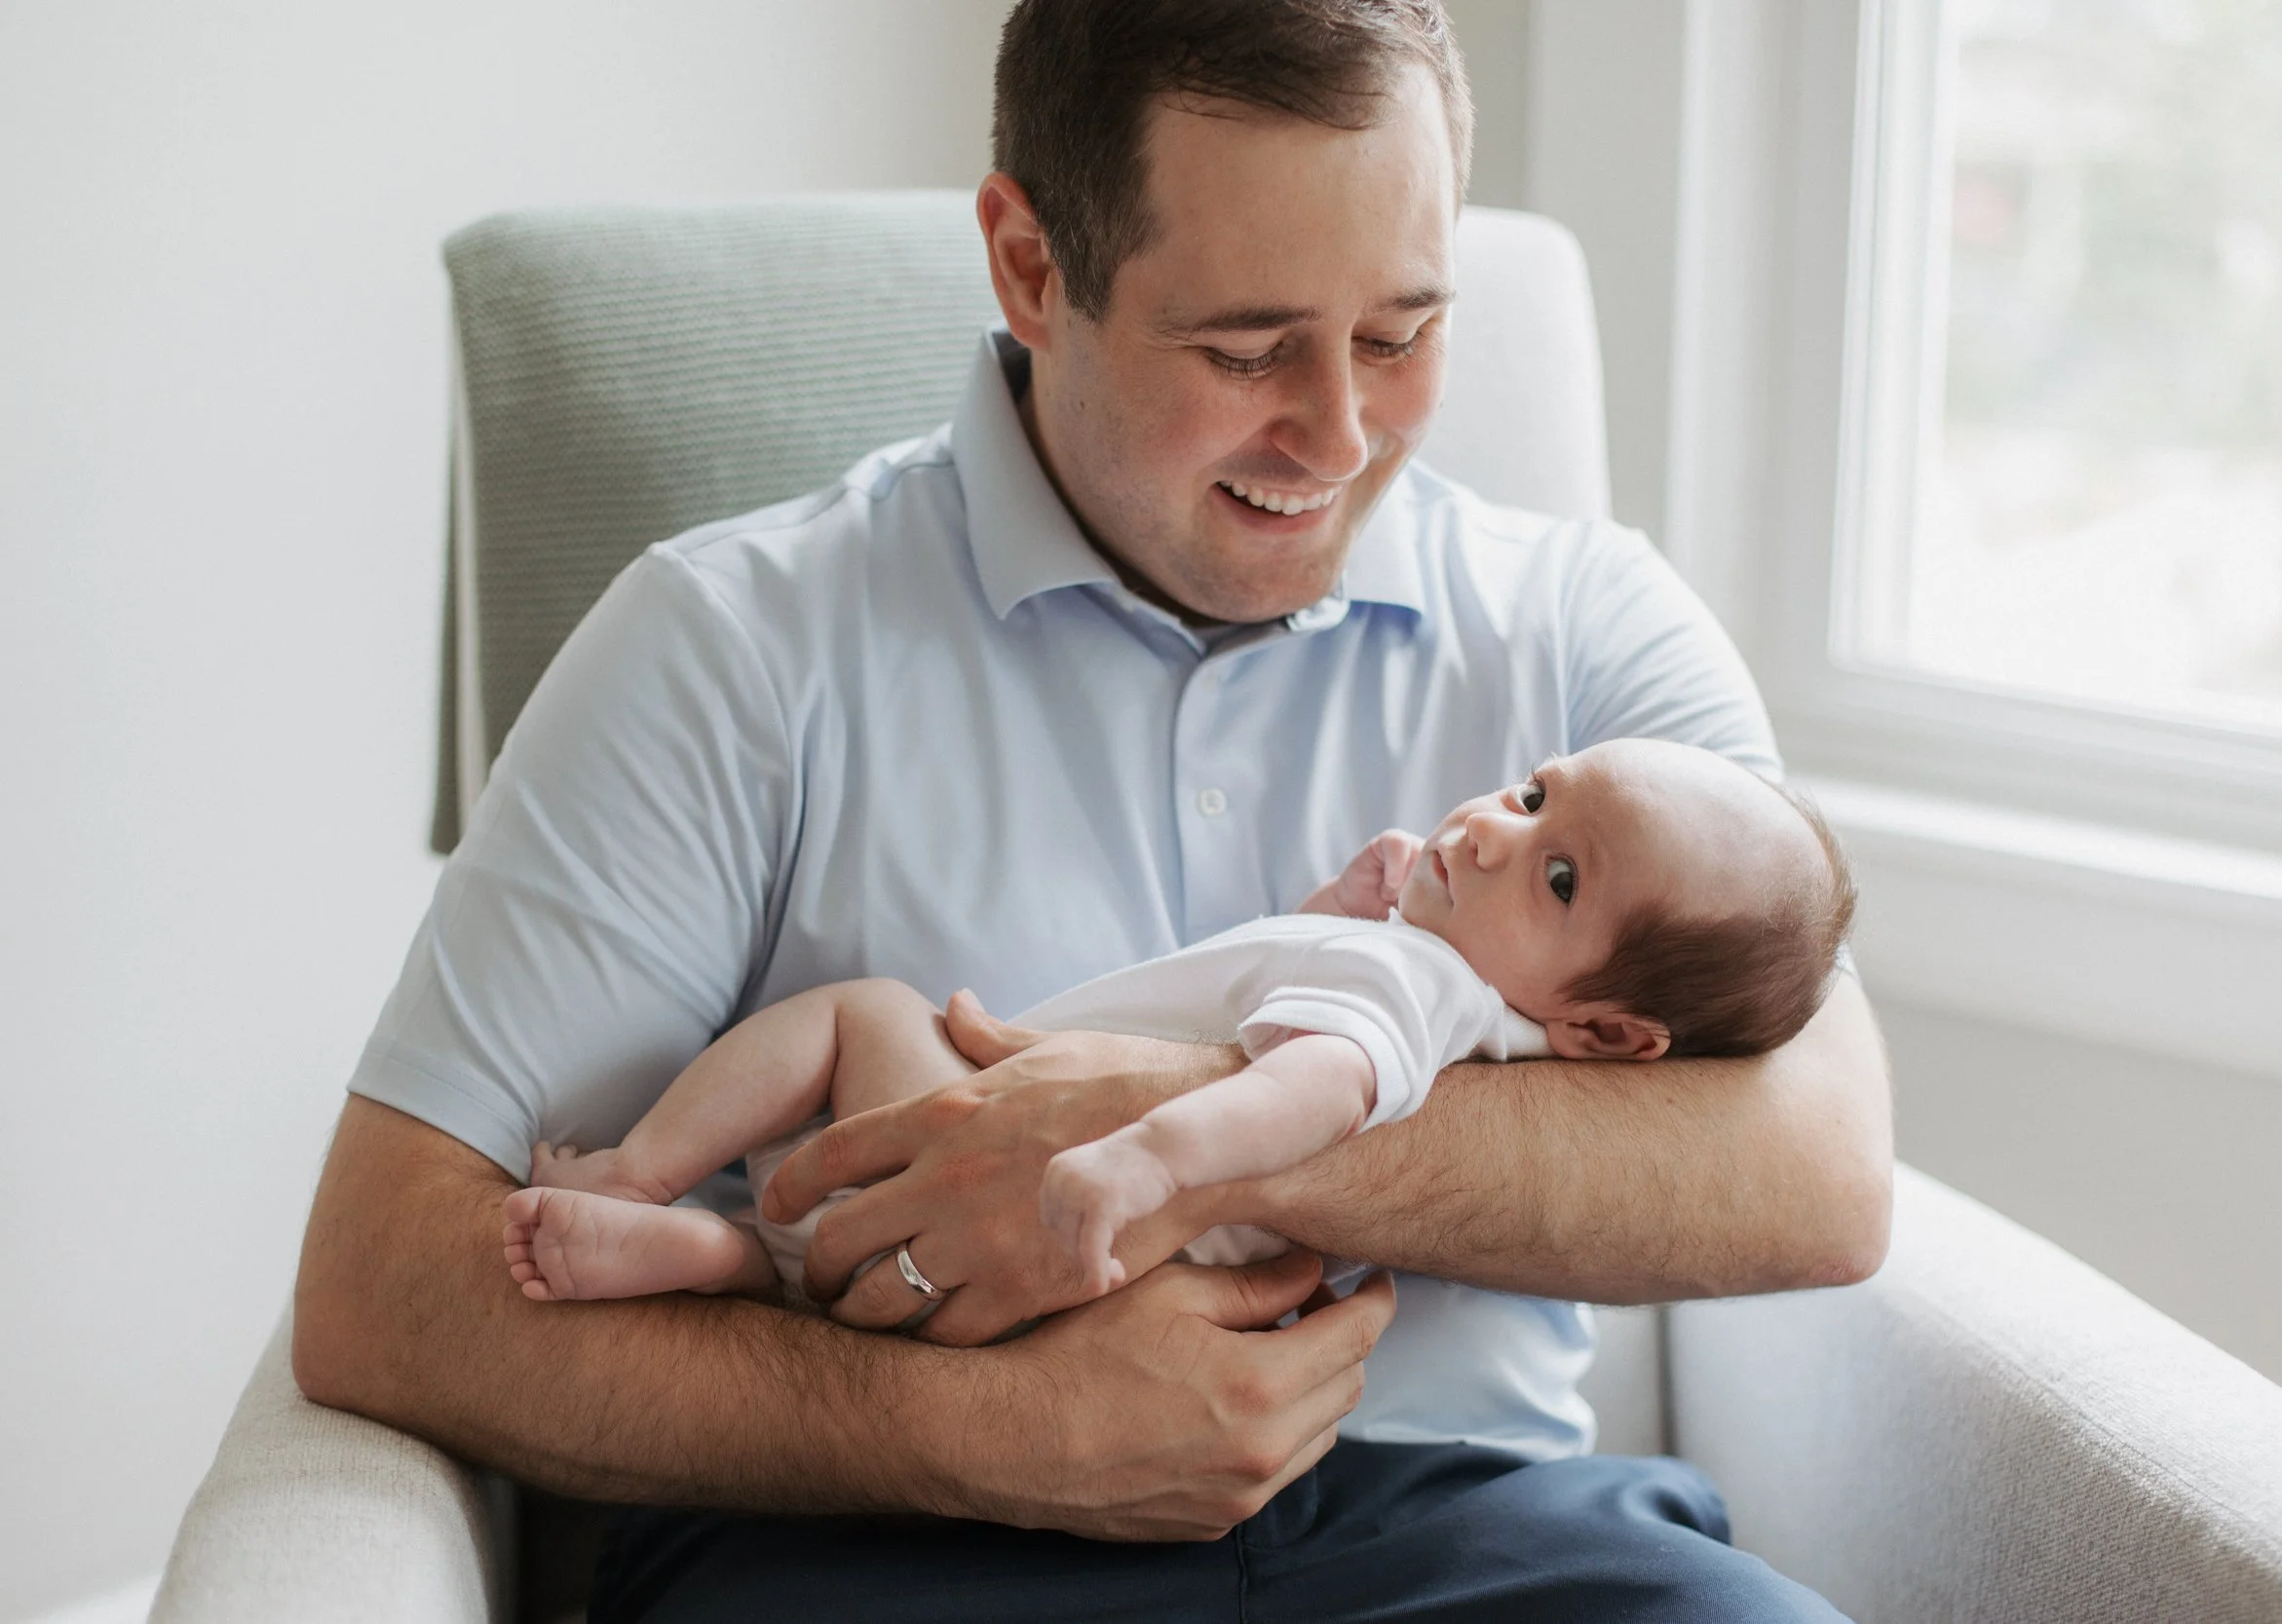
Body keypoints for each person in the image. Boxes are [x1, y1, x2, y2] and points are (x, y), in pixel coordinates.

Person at [293, 2, 1893, 1618]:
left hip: (1476, 1539)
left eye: (1400, 335)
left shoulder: (1588, 635)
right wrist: (973, 1427)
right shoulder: (726, 648)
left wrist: (1202, 1137)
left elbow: (1819, 1168)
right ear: (1031, 267)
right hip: (881, 1556)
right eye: (1248, 347)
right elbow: (383, 1287)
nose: (1340, 435)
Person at [497, 737, 1856, 1309]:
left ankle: (643, 1174)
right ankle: (714, 1258)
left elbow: (1308, 1093)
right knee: (815, 1281)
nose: (1497, 837)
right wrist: (1340, 905)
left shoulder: (1415, 998)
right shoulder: (1420, 978)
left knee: (866, 1015)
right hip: (1038, 1268)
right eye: (1528, 792)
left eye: (1560, 877)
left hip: (1048, 1202)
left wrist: (1148, 1156)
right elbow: (1269, 998)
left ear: (1610, 1035)